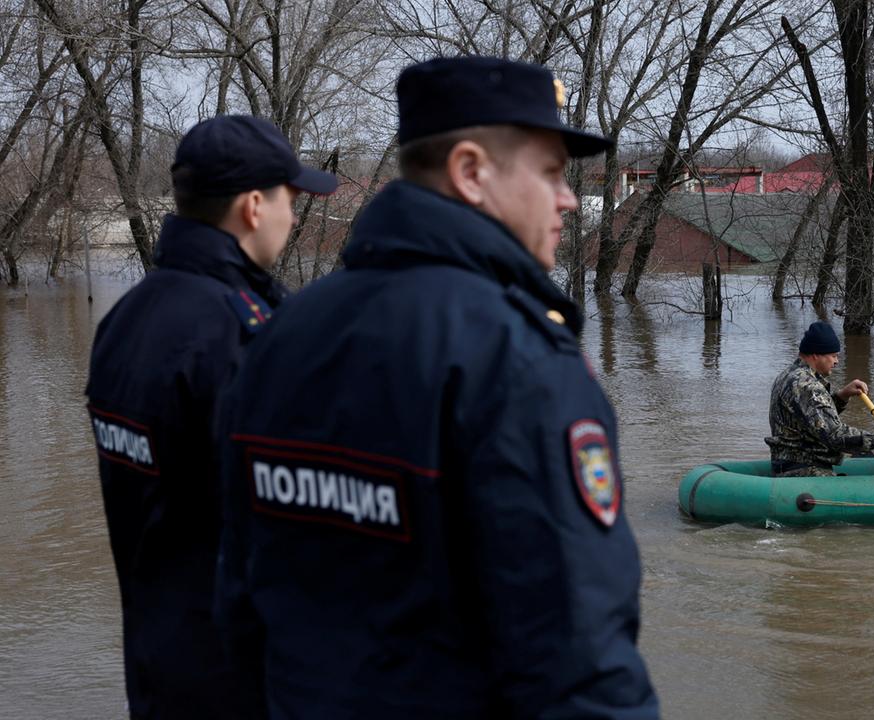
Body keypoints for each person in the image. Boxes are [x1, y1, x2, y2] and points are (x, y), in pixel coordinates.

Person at [215, 57, 659, 718]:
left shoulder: (282, 334)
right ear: (472, 172)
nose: (567, 198)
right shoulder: (519, 359)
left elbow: (239, 602)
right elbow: (578, 661)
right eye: (550, 172)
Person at [85, 115, 337, 718]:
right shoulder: (240, 333)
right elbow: (287, 529)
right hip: (239, 679)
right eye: (291, 198)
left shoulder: (126, 317)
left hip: (154, 663)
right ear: (253, 206)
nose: (294, 216)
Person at [765, 321, 874, 477]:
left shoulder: (789, 375)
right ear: (816, 354)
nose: (837, 361)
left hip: (788, 463)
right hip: (804, 469)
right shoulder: (807, 386)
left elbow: (812, 418)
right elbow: (835, 436)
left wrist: (842, 395)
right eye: (833, 355)